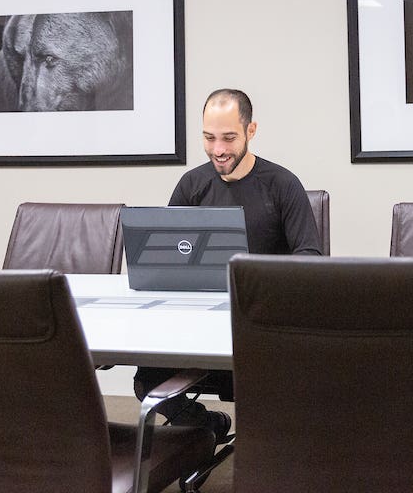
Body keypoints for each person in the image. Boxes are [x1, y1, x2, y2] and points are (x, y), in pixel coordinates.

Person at [134, 88, 321, 441]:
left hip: (261, 330)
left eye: (229, 138)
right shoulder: (192, 185)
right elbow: (166, 259)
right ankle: (209, 427)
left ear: (251, 131)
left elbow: (310, 258)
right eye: (209, 138)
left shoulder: (282, 185)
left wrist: (261, 284)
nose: (218, 150)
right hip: (199, 325)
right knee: (149, 378)